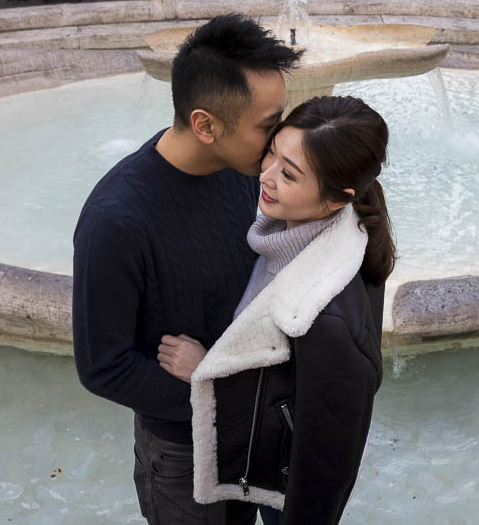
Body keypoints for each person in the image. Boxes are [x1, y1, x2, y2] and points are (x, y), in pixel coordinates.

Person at [73, 14, 301, 525]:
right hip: (183, 452)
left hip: (249, 429)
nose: (279, 140)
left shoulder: (243, 170)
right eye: (268, 125)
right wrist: (218, 397)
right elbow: (102, 366)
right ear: (205, 124)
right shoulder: (116, 221)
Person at [158, 94, 392, 525]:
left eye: (288, 173)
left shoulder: (326, 317)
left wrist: (206, 368)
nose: (264, 175)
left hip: (279, 484)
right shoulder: (317, 228)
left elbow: (326, 463)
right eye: (272, 151)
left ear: (334, 199)